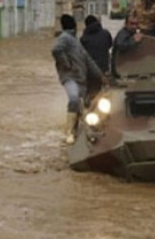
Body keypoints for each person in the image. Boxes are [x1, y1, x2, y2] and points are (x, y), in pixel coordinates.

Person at [52, 14, 105, 144]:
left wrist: (101, 76)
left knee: (81, 106)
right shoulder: (65, 38)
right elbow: (56, 50)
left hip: (80, 78)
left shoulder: (76, 41)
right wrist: (67, 65)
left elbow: (88, 61)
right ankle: (69, 132)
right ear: (74, 26)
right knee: (74, 99)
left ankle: (76, 133)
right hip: (70, 77)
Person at [111, 12, 144, 77]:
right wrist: (134, 40)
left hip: (127, 69)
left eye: (136, 24)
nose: (134, 26)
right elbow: (120, 45)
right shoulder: (123, 33)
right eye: (131, 23)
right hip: (121, 71)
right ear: (126, 24)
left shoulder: (132, 33)